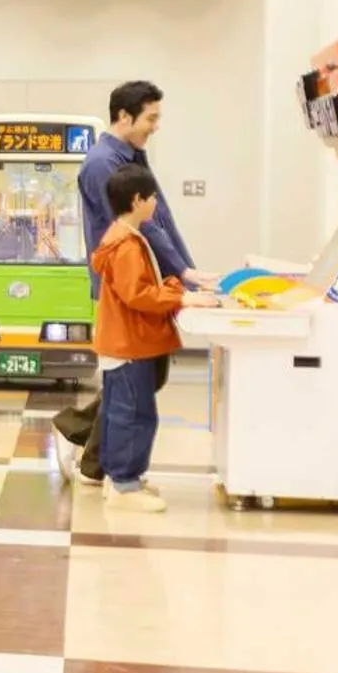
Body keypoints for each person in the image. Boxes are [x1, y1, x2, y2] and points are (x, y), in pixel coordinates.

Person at [54, 81, 214, 487]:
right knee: (132, 384)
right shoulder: (103, 164)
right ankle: (101, 461)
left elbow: (162, 222)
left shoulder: (131, 156)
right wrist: (183, 285)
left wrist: (185, 272)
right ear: (124, 117)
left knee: (141, 380)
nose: (156, 126)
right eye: (151, 118)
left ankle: (82, 439)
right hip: (128, 288)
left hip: (149, 282)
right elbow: (139, 228)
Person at [89, 163, 220, 512]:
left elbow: (139, 290)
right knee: (134, 414)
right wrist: (181, 297)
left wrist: (175, 289)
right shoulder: (127, 245)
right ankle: (124, 485)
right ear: (137, 200)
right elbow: (139, 295)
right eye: (152, 198)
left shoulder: (123, 236)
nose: (156, 204)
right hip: (129, 343)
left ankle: (120, 478)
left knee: (124, 411)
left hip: (124, 342)